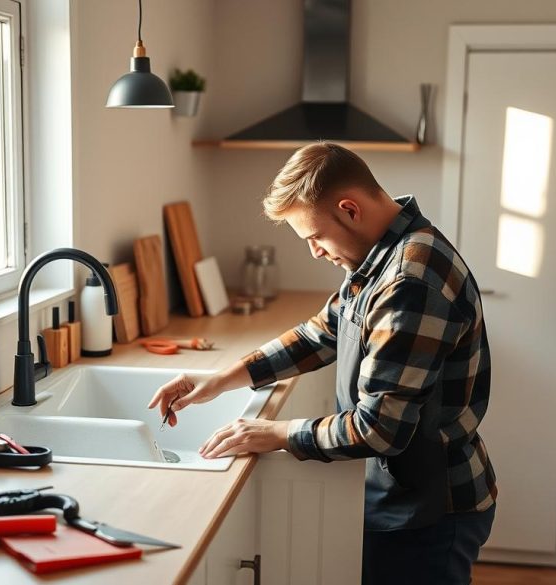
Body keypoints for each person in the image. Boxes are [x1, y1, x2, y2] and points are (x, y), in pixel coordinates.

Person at [147, 142, 497, 584]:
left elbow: (378, 428)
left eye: (314, 236)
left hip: (430, 510)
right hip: (404, 496)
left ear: (349, 209)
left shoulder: (410, 281)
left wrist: (275, 434)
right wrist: (223, 379)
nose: (314, 251)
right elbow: (323, 332)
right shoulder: (381, 258)